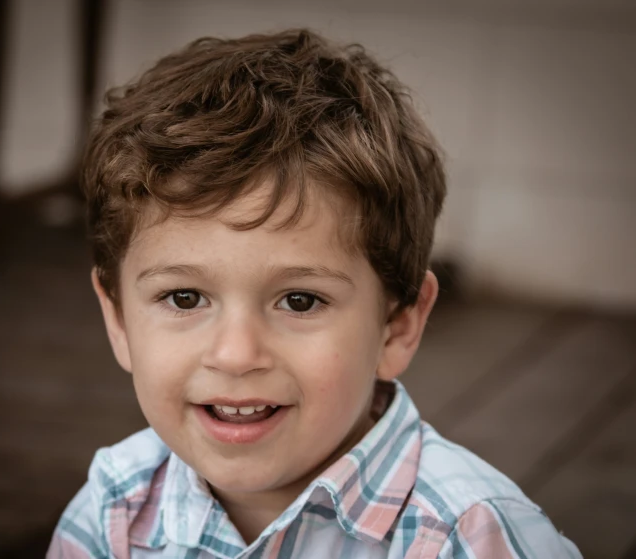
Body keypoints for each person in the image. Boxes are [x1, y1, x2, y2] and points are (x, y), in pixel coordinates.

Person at [48, 29, 581, 558]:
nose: (235, 355)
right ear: (118, 318)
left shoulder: (470, 539)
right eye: (185, 298)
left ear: (398, 325)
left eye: (300, 300)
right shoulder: (112, 513)